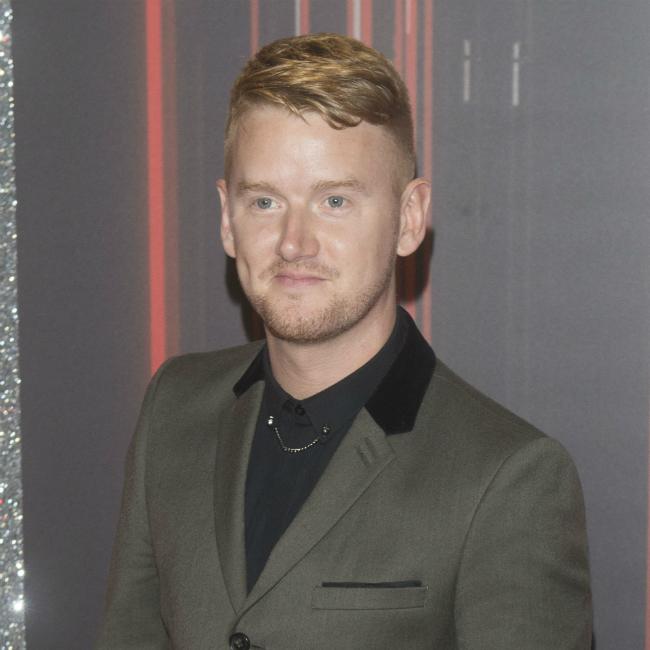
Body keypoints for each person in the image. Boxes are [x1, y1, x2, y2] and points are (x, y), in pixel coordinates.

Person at [96, 33, 591, 650]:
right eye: (265, 201)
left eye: (334, 201)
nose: (293, 242)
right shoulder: (174, 407)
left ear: (409, 219)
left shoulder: (508, 479)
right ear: (227, 219)